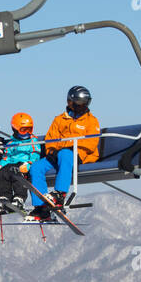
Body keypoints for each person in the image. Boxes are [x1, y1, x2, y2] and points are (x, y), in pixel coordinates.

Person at [28, 85, 100, 221]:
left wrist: (70, 148)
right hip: (58, 155)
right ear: (70, 103)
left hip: (80, 154)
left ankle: (60, 194)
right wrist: (52, 150)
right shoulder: (59, 120)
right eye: (79, 104)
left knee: (65, 154)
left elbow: (91, 142)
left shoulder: (91, 121)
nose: (83, 107)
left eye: (85, 104)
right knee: (36, 167)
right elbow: (51, 139)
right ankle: (41, 207)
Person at [0, 112, 40, 213]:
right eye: (23, 130)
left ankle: (19, 198)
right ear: (15, 129)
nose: (27, 132)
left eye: (29, 129)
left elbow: (35, 153)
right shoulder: (11, 143)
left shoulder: (33, 141)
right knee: (3, 172)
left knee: (16, 171)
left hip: (23, 164)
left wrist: (28, 163)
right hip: (11, 164)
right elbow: (7, 157)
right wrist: (0, 166)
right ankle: (5, 198)